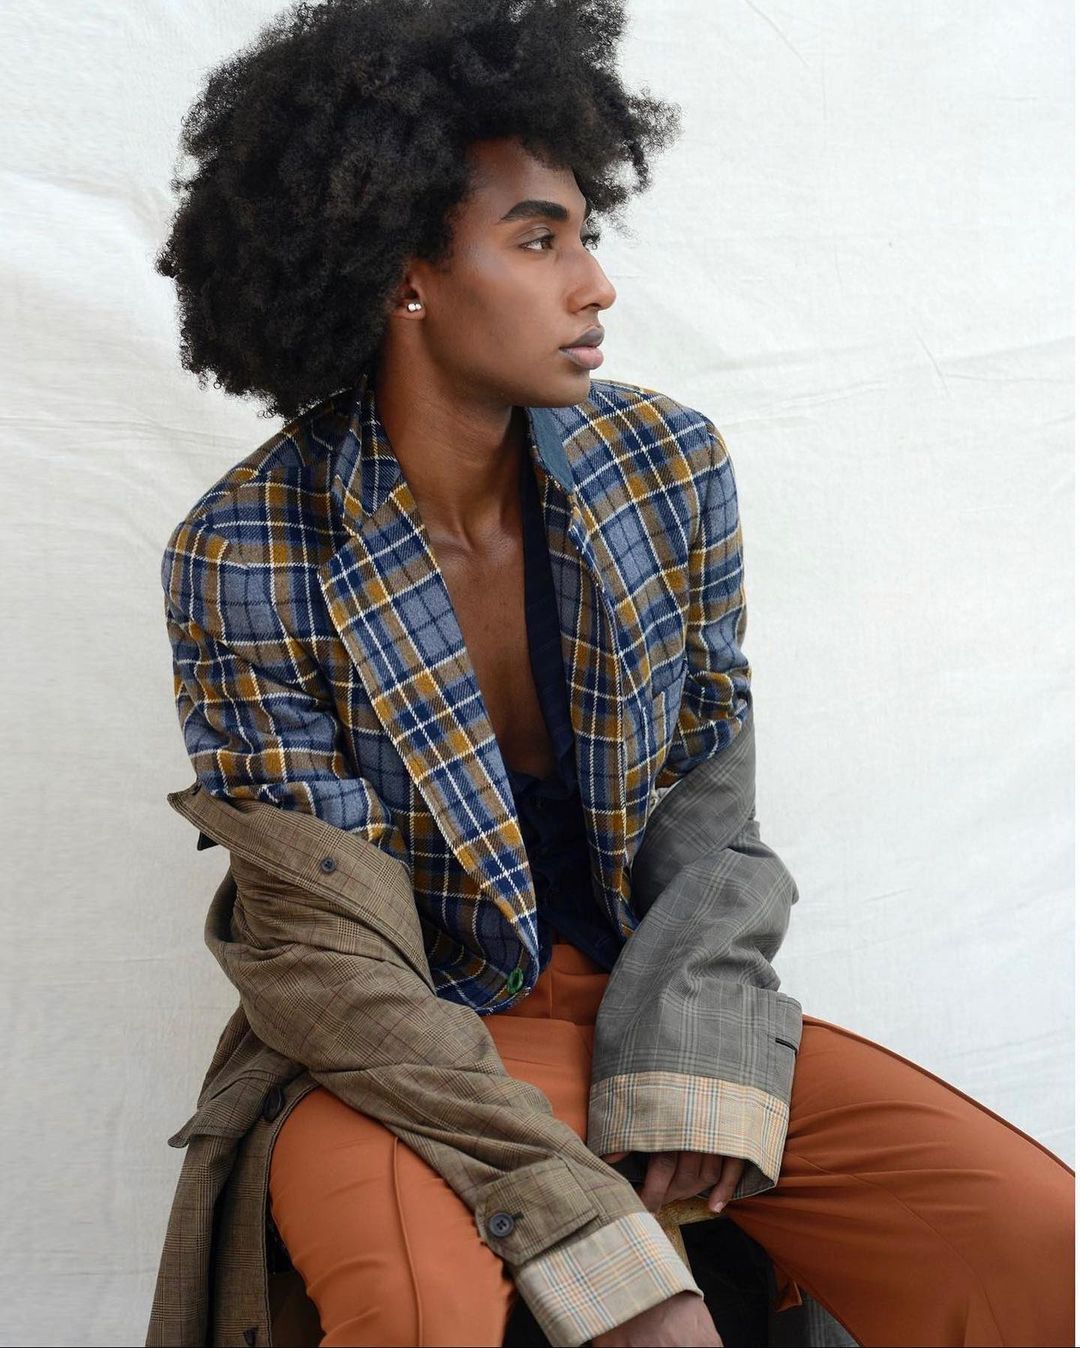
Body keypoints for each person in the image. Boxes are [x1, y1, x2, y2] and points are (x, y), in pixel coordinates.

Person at [152, 2, 1075, 1345]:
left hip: (657, 995)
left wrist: (690, 1048)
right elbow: (324, 954)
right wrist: (594, 1243)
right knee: (417, 1315)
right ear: (405, 277)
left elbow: (712, 807)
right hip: (405, 1050)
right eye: (540, 239)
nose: (595, 284)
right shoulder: (246, 549)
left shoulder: (664, 466)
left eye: (587, 233)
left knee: (1034, 1239)